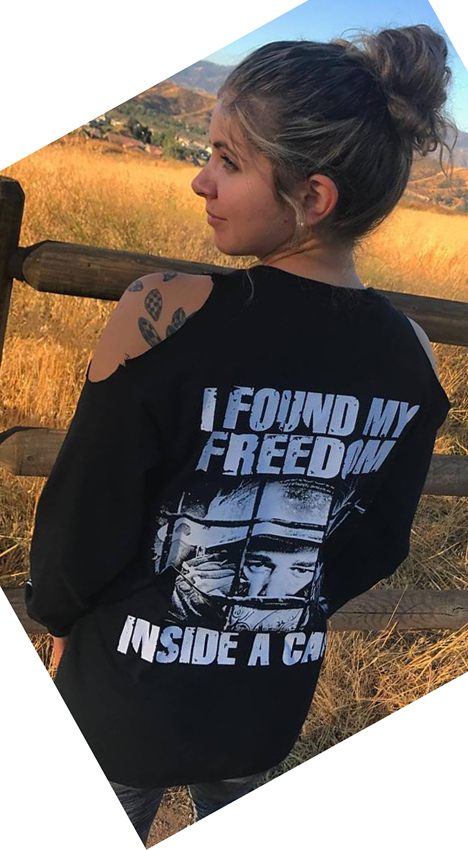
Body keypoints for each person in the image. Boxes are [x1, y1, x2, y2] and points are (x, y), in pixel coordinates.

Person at [26, 25, 455, 845]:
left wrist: (57, 619)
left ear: (313, 197)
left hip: (123, 694)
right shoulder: (414, 354)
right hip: (266, 704)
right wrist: (278, 613)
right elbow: (379, 542)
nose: (201, 180)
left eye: (228, 160)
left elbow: (86, 514)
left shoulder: (165, 313)